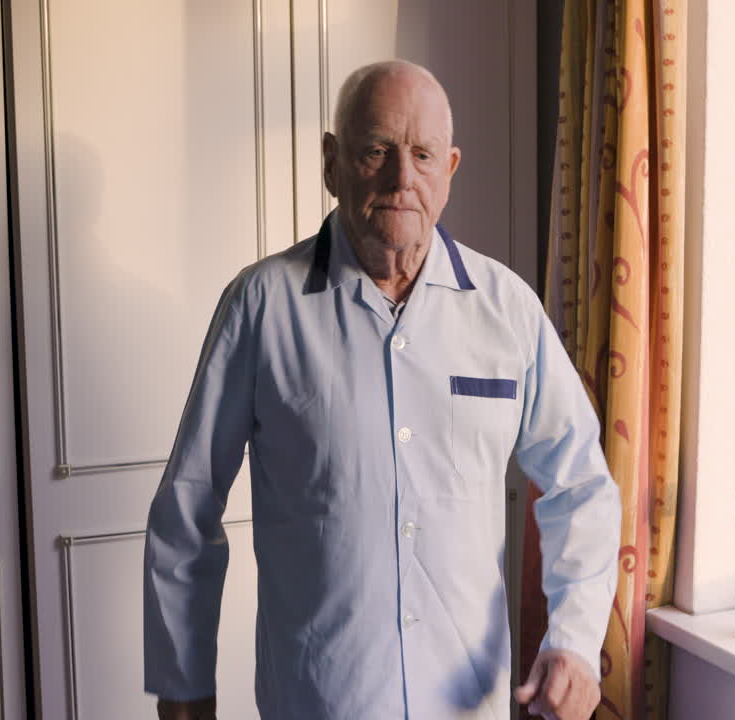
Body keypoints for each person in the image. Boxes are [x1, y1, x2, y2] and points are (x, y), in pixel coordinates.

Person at [144, 59, 619, 720]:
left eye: (423, 155)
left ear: (449, 170)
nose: (402, 179)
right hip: (318, 702)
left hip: (467, 705)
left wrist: (574, 640)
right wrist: (183, 686)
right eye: (376, 152)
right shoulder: (260, 306)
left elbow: (582, 485)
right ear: (332, 163)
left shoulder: (506, 310)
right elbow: (187, 507)